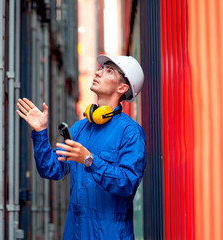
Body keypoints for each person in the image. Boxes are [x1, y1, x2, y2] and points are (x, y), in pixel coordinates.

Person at [16, 55, 146, 239]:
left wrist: (90, 160)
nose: (98, 72)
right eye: (101, 68)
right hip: (75, 233)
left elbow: (127, 183)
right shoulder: (80, 128)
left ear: (122, 88)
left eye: (109, 71)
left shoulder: (130, 132)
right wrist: (40, 131)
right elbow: (51, 169)